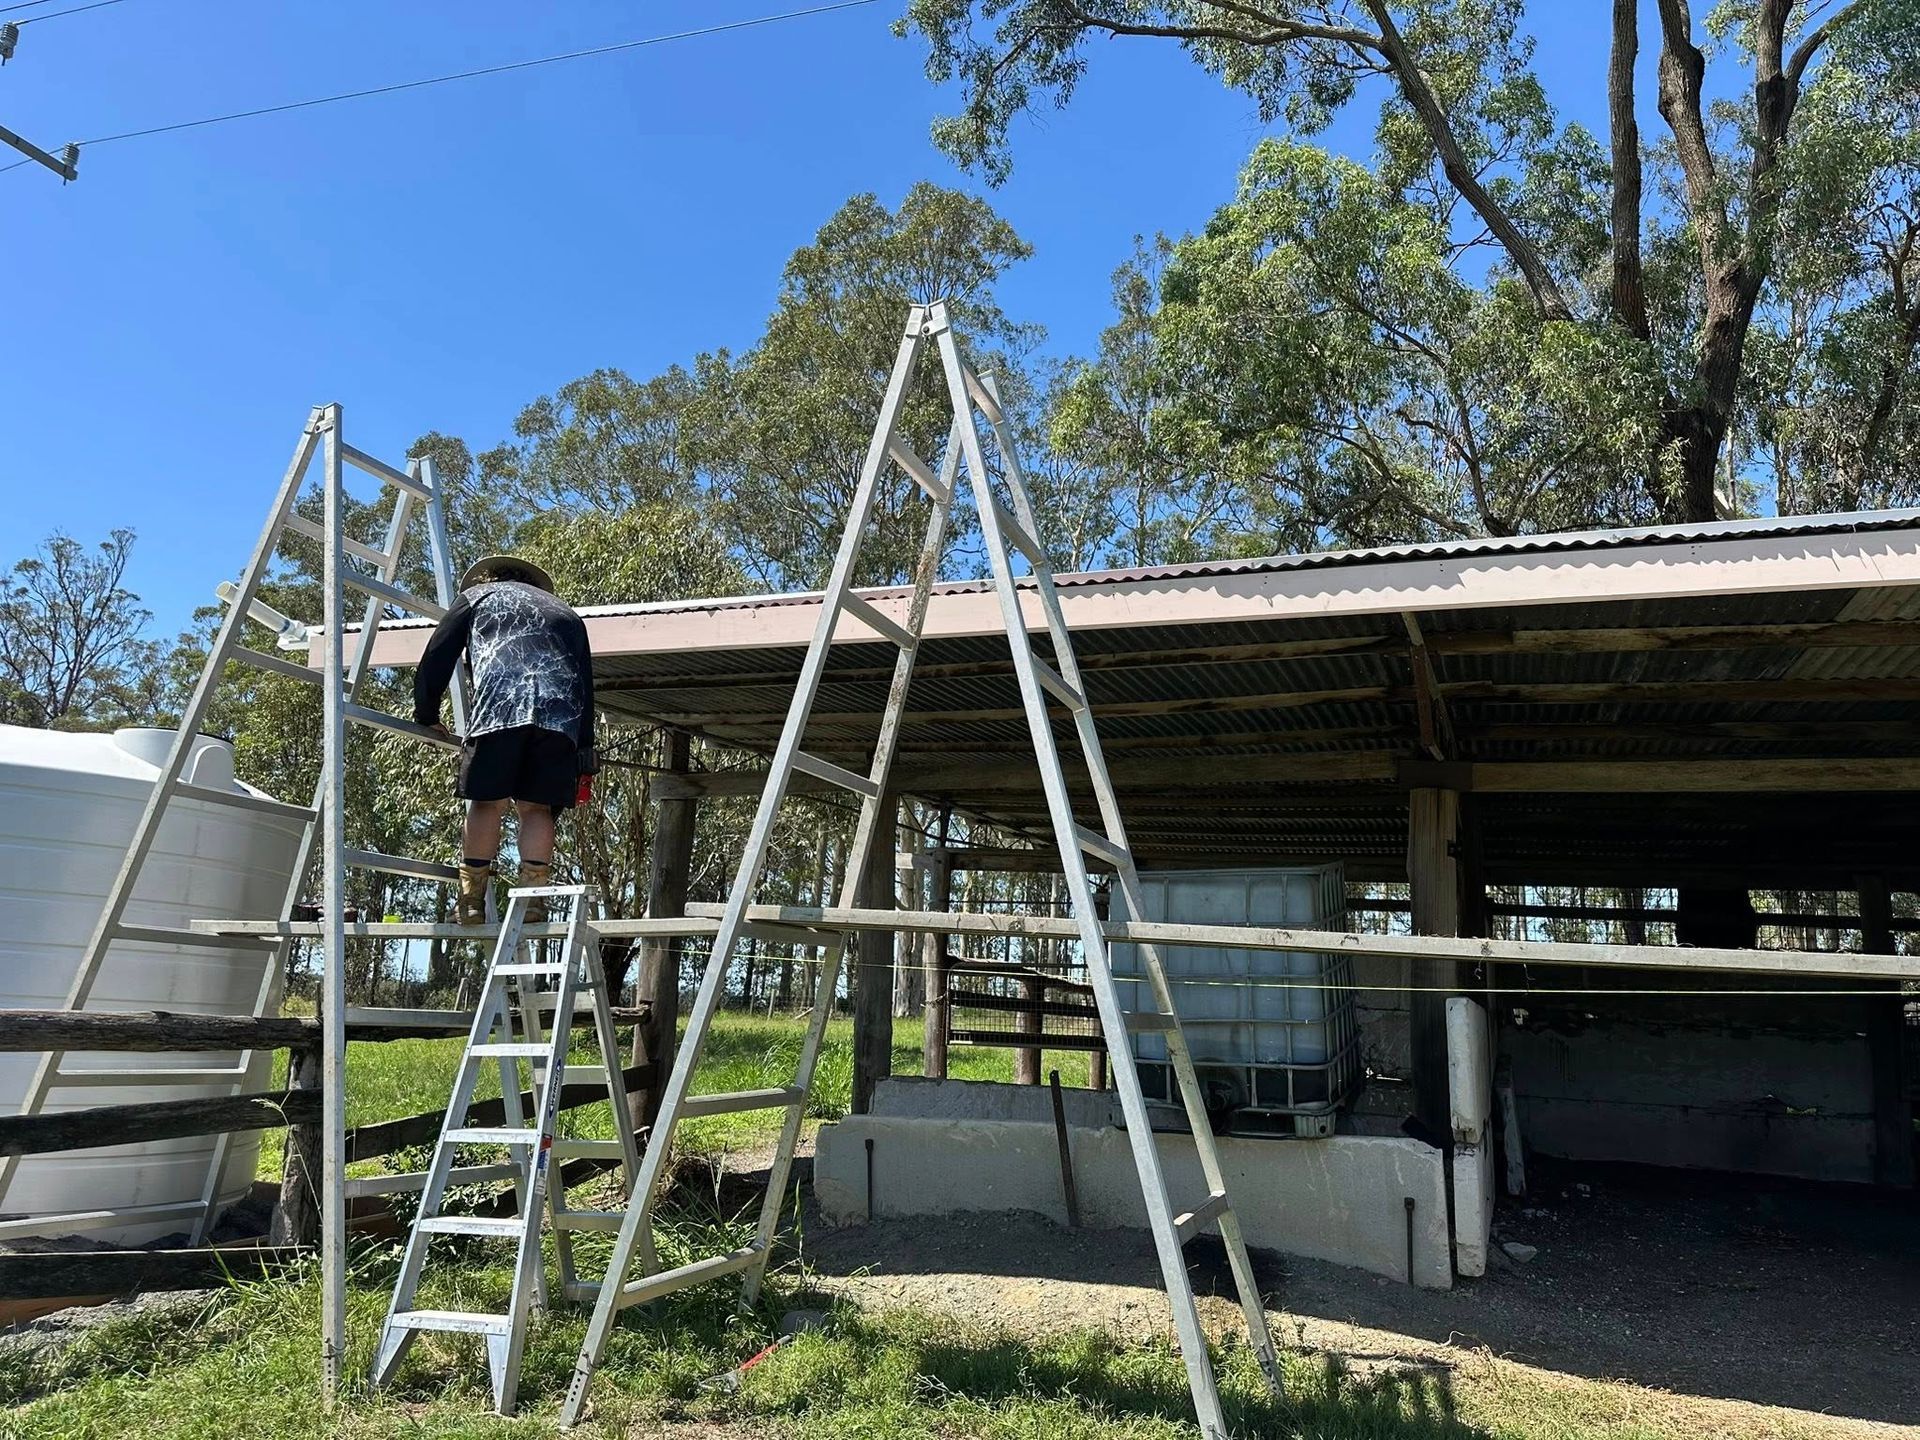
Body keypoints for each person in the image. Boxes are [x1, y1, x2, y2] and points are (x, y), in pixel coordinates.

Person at [412, 554, 597, 924]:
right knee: (537, 808)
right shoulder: (567, 614)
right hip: (559, 718)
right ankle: (533, 900)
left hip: (500, 709)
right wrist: (583, 746)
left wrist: (427, 715)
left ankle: (470, 902)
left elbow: (438, 654)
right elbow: (585, 684)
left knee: (487, 803)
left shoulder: (477, 597)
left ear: (490, 577)